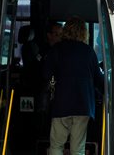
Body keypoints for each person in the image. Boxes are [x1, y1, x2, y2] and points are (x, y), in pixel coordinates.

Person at [43, 17, 104, 155]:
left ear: (66, 31)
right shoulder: (89, 52)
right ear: (84, 32)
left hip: (61, 104)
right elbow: (99, 79)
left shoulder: (57, 49)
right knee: (78, 148)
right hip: (83, 106)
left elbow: (46, 74)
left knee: (56, 145)